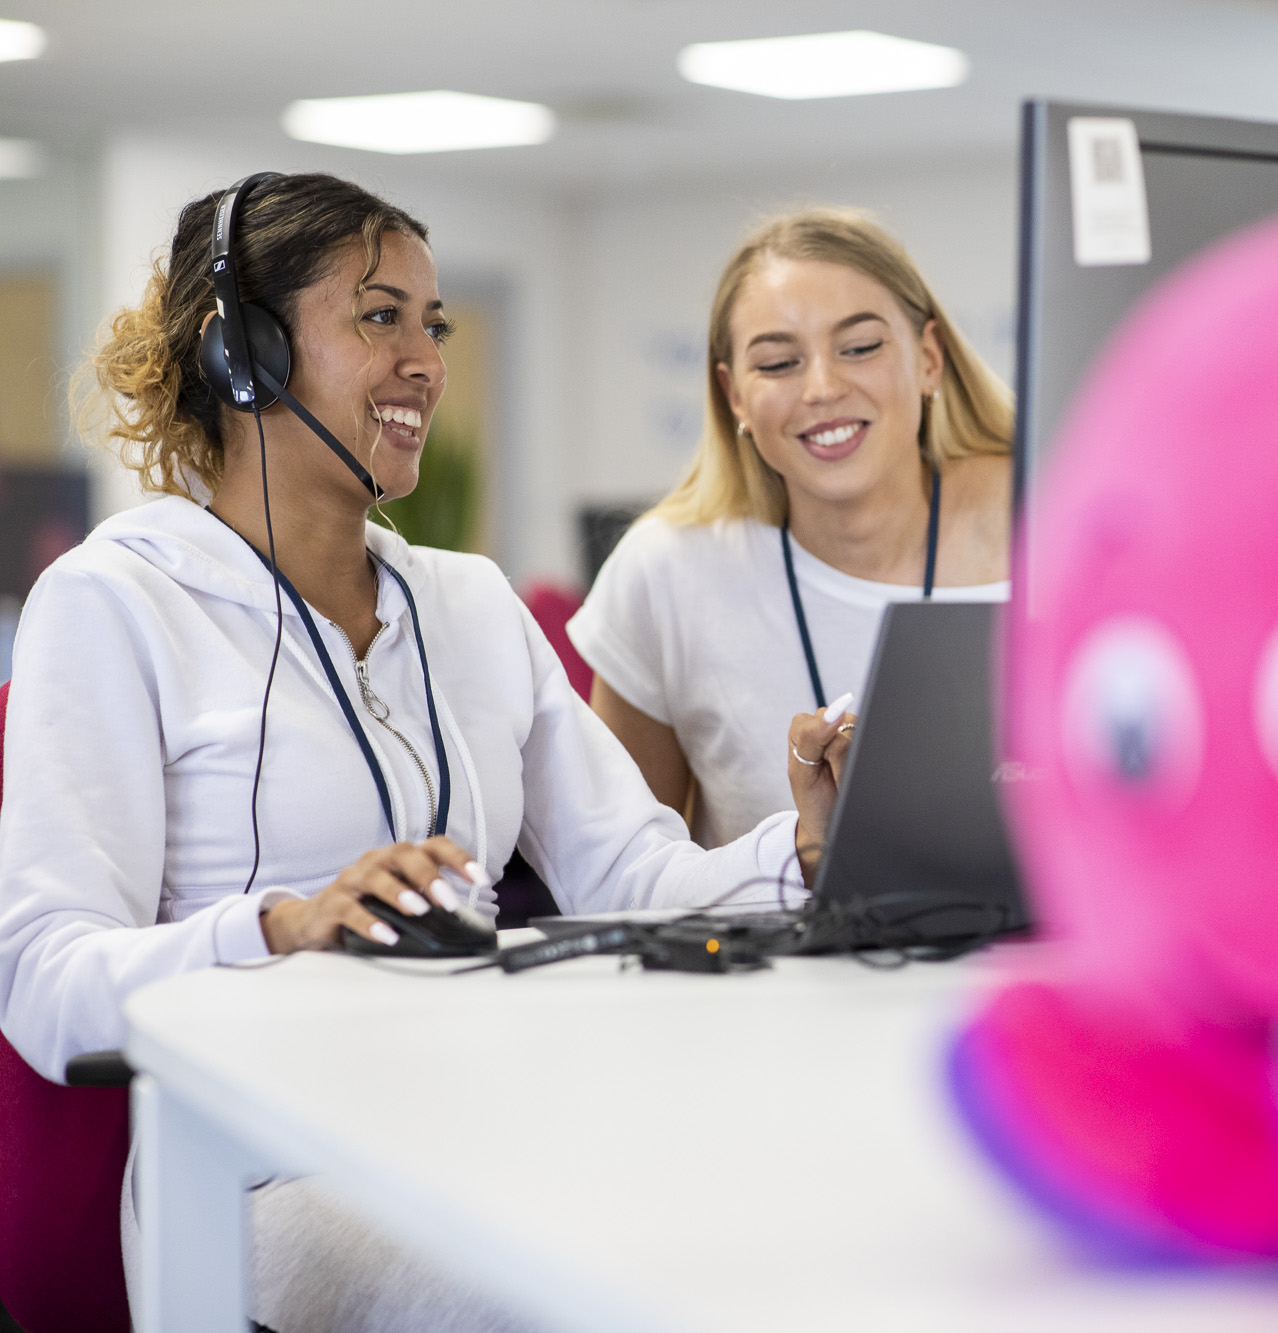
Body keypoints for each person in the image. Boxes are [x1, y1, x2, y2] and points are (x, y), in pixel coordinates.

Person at [0, 172, 851, 1330]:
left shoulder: (468, 603)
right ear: (241, 353)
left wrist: (802, 844)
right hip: (262, 1177)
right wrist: (282, 925)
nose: (424, 362)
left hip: (493, 1122)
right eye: (379, 315)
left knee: (778, 1224)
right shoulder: (115, 602)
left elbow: (636, 877)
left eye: (433, 324)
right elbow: (46, 982)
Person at [570, 208, 1013, 846]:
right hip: (775, 948)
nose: (823, 388)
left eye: (860, 348)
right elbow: (618, 871)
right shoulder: (666, 570)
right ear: (735, 397)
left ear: (930, 358)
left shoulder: (1059, 521)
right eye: (778, 363)